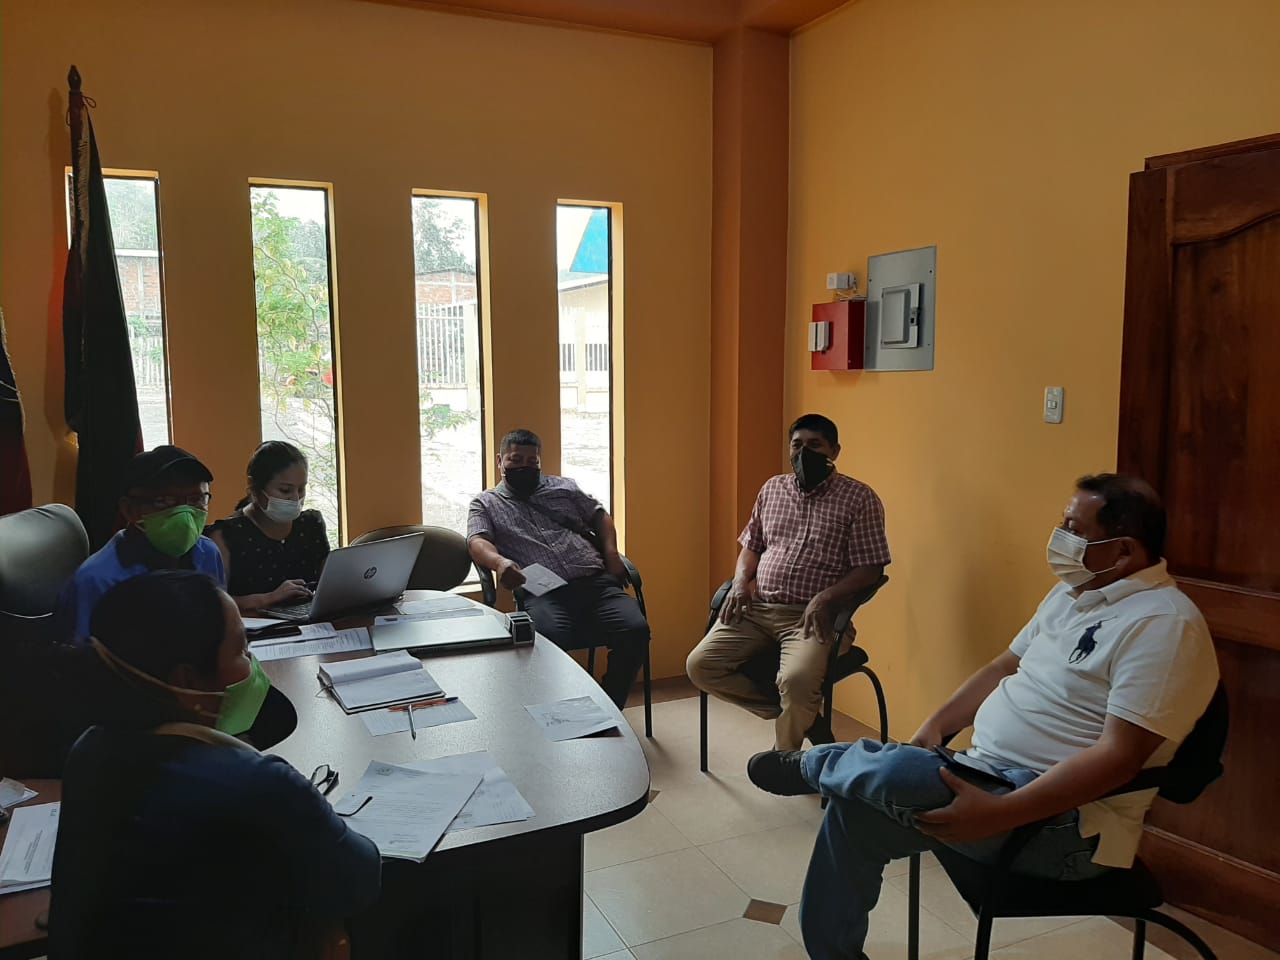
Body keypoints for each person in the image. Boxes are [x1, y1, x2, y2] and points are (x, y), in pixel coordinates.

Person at [745, 474, 1220, 960]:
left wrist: (999, 814)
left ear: (1122, 551)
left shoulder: (1163, 625)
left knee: (892, 769)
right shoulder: (1074, 593)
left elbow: (1120, 759)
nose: (1060, 537)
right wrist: (936, 726)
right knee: (855, 811)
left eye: (1074, 529)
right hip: (985, 775)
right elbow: (1002, 667)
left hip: (1059, 827)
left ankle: (815, 765)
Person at [48, 569, 381, 959]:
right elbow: (359, 880)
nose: (252, 662)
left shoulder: (88, 750)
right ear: (187, 681)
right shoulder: (257, 783)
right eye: (242, 649)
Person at [686, 413, 891, 751]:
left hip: (813, 618)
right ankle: (805, 718)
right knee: (700, 666)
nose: (803, 453)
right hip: (758, 609)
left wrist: (826, 598)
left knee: (796, 682)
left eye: (815, 445)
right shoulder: (773, 489)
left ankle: (785, 760)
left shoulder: (859, 498)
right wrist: (740, 582)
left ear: (834, 451)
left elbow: (870, 569)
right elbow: (751, 546)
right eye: (797, 445)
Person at [467, 428, 648, 709]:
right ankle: (561, 712)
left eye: (532, 462)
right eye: (515, 460)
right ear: (500, 461)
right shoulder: (486, 503)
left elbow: (600, 516)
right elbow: (477, 540)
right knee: (549, 640)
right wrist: (500, 563)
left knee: (635, 630)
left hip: (595, 583)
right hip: (544, 593)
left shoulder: (564, 488)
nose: (524, 467)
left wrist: (612, 554)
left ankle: (610, 707)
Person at [57, 445, 225, 640]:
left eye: (196, 499)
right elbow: (89, 655)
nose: (184, 515)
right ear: (129, 510)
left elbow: (217, 630)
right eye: (164, 500)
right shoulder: (97, 580)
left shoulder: (207, 554)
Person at [208, 440, 329, 613]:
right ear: (254, 487)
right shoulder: (225, 536)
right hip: (252, 627)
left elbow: (331, 585)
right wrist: (269, 598)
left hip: (311, 624)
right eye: (285, 490)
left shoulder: (310, 525)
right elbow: (213, 603)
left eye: (301, 489)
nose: (295, 498)